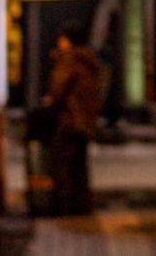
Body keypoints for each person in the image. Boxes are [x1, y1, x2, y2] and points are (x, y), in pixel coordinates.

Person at [43, 22, 105, 215]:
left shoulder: (69, 59)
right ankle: (82, 204)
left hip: (70, 118)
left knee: (62, 162)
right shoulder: (89, 61)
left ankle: (65, 204)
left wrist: (51, 100)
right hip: (85, 119)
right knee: (79, 165)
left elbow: (58, 86)